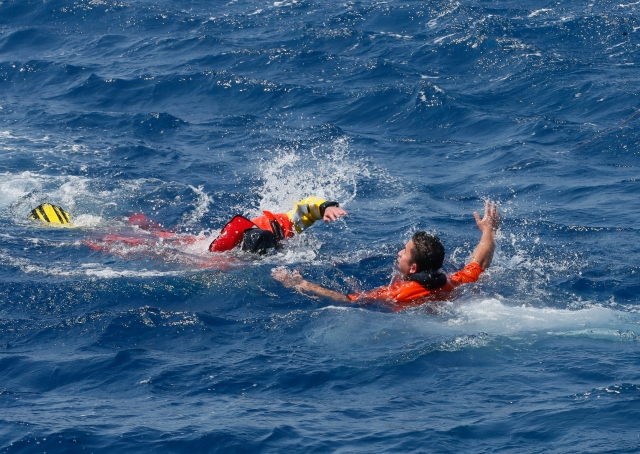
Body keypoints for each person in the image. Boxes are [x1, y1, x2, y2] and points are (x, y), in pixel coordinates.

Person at [272, 200, 500, 311]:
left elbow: (348, 300)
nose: (399, 253)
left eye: (405, 252)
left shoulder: (398, 294)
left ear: (413, 268)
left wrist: (299, 283)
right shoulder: (455, 281)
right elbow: (479, 261)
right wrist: (489, 230)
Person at [28, 196, 348, 256]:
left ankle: (128, 223)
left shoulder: (279, 229)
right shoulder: (221, 256)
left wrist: (325, 207)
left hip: (192, 241)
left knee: (145, 234)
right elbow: (306, 208)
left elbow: (305, 208)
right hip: (193, 248)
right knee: (127, 241)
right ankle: (72, 226)